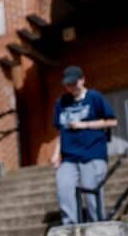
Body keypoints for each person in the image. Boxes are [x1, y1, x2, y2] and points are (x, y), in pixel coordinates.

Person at [50, 65, 118, 224]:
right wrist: (56, 153)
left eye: (74, 83)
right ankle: (70, 227)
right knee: (64, 188)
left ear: (82, 80)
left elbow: (112, 121)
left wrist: (84, 125)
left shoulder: (94, 97)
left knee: (91, 194)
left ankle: (99, 226)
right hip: (69, 157)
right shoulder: (61, 102)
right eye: (68, 84)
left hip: (92, 153)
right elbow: (61, 130)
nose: (71, 87)